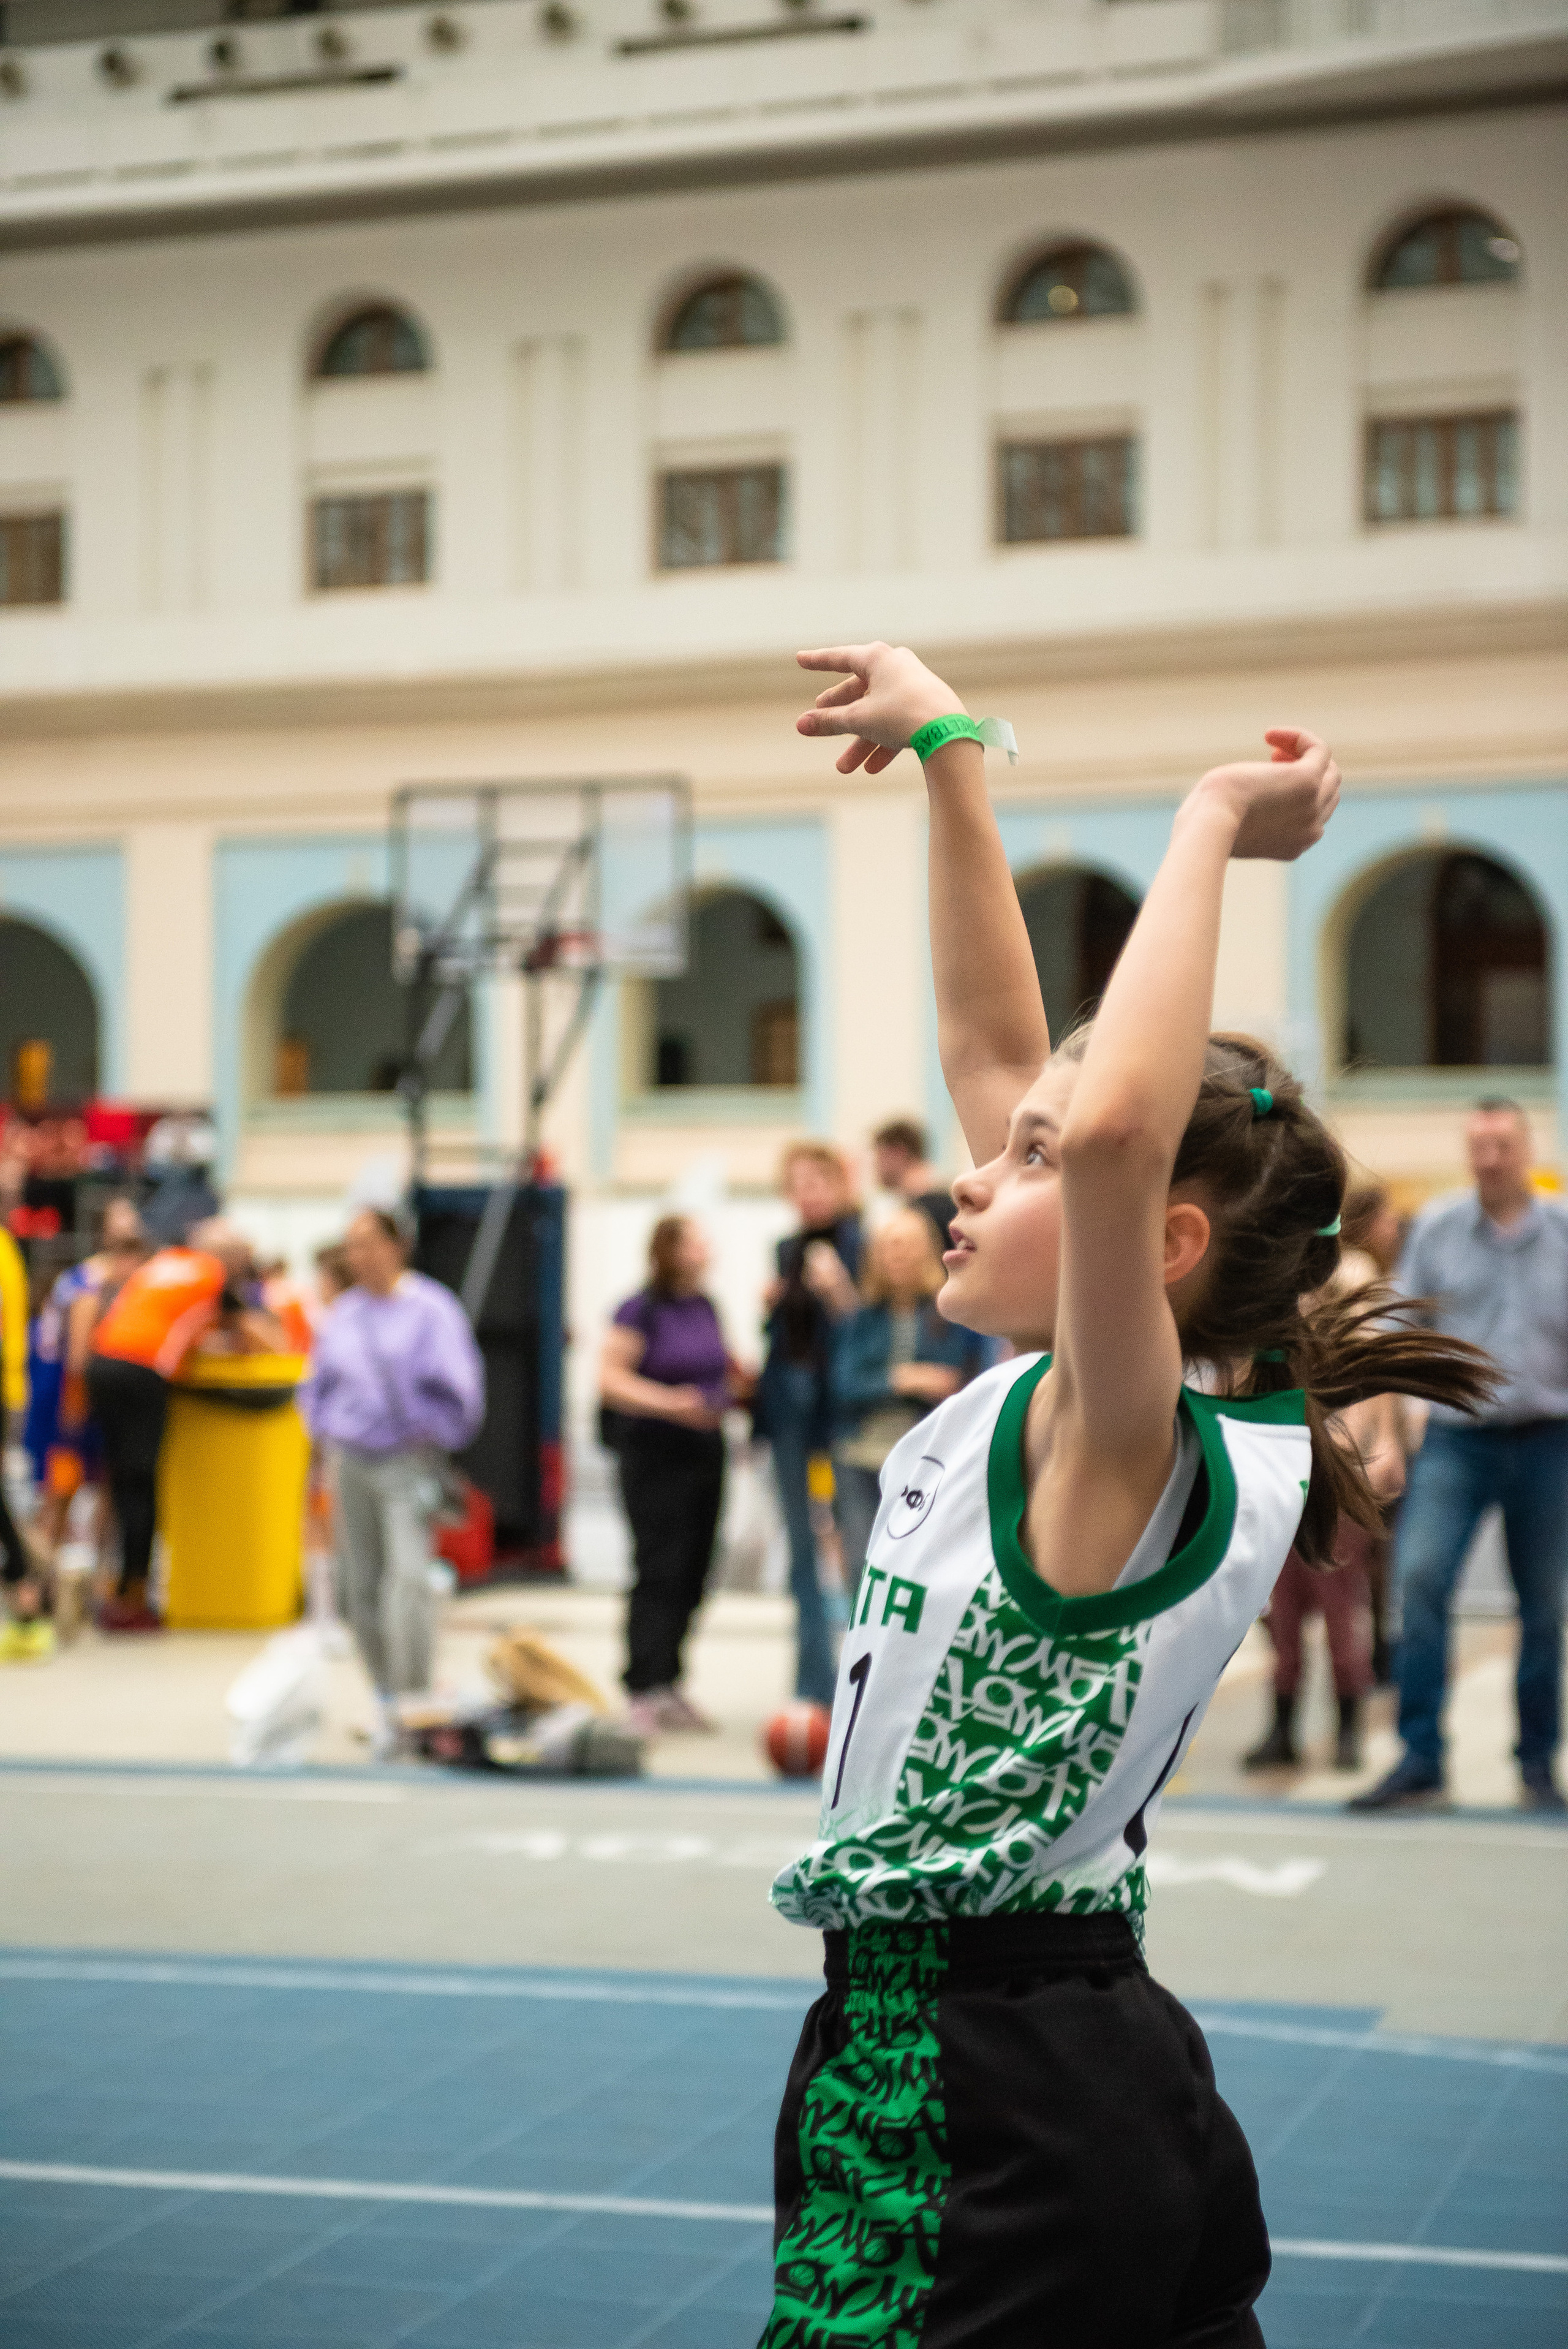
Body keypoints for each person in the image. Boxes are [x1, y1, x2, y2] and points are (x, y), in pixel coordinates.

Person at [759, 640, 1490, 2349]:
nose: (971, 1166)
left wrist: (1212, 817)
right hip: (1067, 2057)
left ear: (1162, 1245)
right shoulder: (1066, 1402)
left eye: (1026, 1159)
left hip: (979, 2073)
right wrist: (949, 750)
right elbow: (999, 1043)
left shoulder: (1122, 1436)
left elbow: (1100, 1138)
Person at [1351, 1099, 1568, 1814]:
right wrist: (1387, 1438)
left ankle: (1537, 1764)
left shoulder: (1562, 1232)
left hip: (1547, 1440)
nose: (1490, 1157)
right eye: (1478, 1145)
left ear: (1526, 1150)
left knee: (1542, 1607)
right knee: (1418, 1582)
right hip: (1455, 1439)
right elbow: (1393, 1342)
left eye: (1502, 1144)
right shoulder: (1438, 1230)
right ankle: (1420, 1760)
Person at [300, 1207, 485, 1755]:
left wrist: (428, 1429)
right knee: (360, 1589)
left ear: (396, 1245)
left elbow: (463, 1392)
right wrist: (323, 1436)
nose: (357, 1256)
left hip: (406, 1460)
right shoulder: (346, 1314)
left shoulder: (431, 1310)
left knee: (407, 1583)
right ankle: (385, 1699)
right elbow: (320, 1384)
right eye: (350, 1245)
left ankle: (415, 1702)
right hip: (350, 1459)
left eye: (367, 1243)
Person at [86, 1218, 287, 1632]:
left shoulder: (165, 1263)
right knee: (143, 1483)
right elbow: (253, 1331)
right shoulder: (213, 1275)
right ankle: (134, 1596)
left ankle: (113, 1586)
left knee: (121, 1481)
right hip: (143, 1372)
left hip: (103, 1362)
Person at [599, 1214, 748, 1736]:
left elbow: (724, 1367)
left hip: (705, 1448)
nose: (706, 1247)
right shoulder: (640, 1310)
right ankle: (642, 1683)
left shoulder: (706, 1306)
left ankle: (670, 1681)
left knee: (696, 1568)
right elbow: (610, 1378)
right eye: (694, 1240)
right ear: (670, 1249)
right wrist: (670, 1404)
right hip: (654, 1453)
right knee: (659, 1567)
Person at [831, 1208, 987, 1610]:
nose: (895, 1256)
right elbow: (844, 1384)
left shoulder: (952, 1314)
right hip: (860, 1456)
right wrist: (906, 1379)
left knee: (918, 1568)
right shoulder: (861, 1318)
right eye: (887, 1247)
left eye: (905, 1246)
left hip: (928, 1458)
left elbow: (964, 1382)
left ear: (927, 1252)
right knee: (861, 1569)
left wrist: (901, 1380)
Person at [756, 1142, 862, 1706]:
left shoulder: (861, 1242)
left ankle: (866, 1681)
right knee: (800, 1548)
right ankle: (813, 1684)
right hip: (789, 1410)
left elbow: (866, 1329)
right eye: (798, 1183)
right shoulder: (786, 1250)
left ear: (841, 1184)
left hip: (844, 1412)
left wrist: (839, 1290)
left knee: (857, 1544)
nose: (808, 1193)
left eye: (818, 1181)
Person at [870, 1118, 957, 1258]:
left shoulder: (928, 1210)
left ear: (898, 1153)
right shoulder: (943, 1201)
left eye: (880, 1156)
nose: (875, 1167)